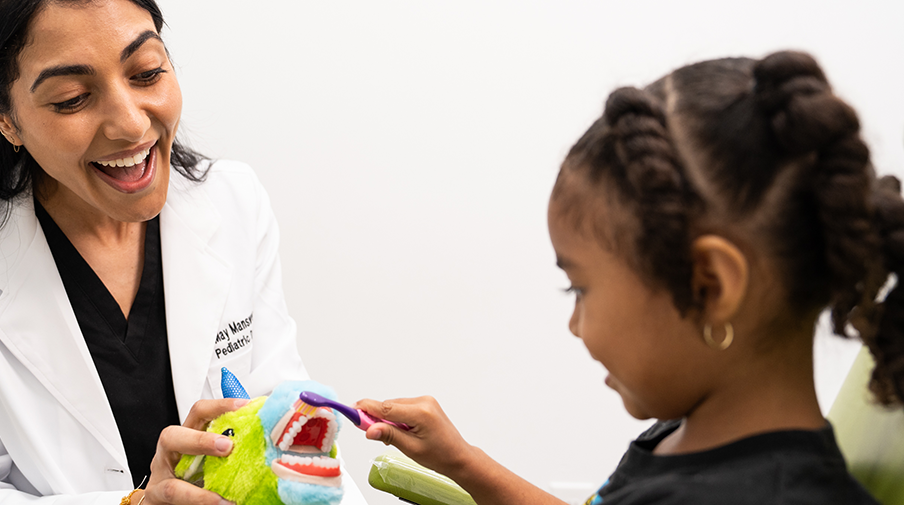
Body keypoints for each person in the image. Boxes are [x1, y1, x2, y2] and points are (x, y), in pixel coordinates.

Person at [0, 1, 365, 504]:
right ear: (1, 114)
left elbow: (288, 426)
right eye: (72, 98)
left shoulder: (234, 202)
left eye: (146, 72)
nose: (132, 125)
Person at [358, 51, 904, 504]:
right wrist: (464, 462)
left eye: (580, 288)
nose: (575, 325)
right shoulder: (689, 435)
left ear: (711, 287)